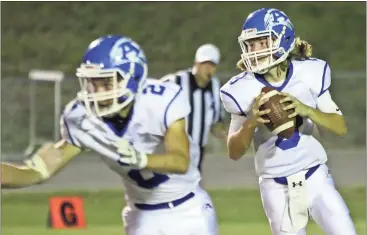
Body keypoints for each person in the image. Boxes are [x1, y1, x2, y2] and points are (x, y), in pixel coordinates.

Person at [1, 35, 218, 235]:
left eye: (105, 82)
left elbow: (180, 161)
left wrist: (140, 159)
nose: (97, 91)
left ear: (132, 78)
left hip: (188, 209)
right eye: (92, 82)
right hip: (141, 216)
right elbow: (36, 172)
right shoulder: (82, 118)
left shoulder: (160, 101)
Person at [220, 8, 357, 235]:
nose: (254, 51)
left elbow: (340, 127)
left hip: (315, 177)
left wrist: (306, 110)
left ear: (282, 38)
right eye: (250, 45)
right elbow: (233, 151)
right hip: (275, 185)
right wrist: (251, 122)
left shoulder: (311, 72)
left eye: (261, 43)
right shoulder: (240, 90)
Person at [161, 44, 226, 174]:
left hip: (198, 151)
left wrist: (229, 136)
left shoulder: (214, 86)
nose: (208, 69)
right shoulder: (177, 81)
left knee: (191, 189)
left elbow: (215, 123)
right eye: (205, 64)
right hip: (174, 147)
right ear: (196, 63)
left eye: (212, 65)